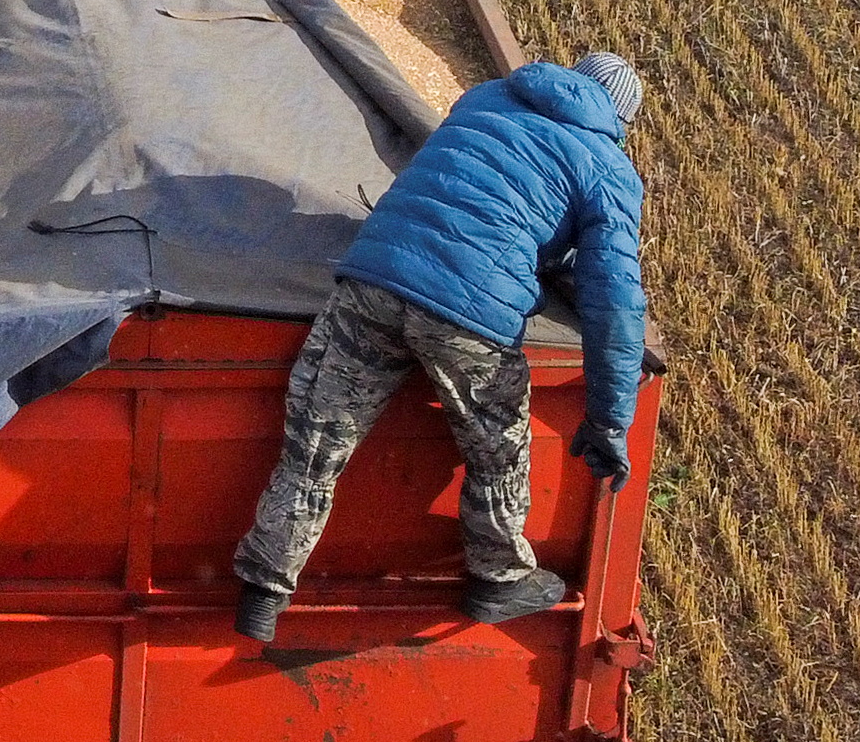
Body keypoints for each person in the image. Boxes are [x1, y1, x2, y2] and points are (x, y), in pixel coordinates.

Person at [232, 50, 647, 643]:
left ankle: (264, 587)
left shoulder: (486, 97)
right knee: (498, 449)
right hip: (468, 313)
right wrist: (609, 421)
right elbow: (615, 304)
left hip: (374, 279)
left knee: (316, 440)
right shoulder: (608, 169)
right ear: (620, 119)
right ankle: (498, 578)